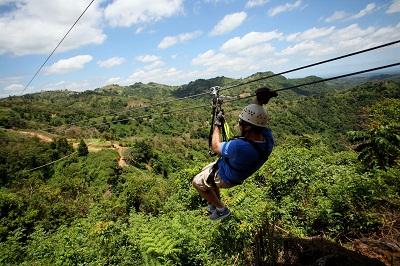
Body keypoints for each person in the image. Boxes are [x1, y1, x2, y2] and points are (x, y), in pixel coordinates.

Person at [192, 88, 277, 221]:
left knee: (197, 182)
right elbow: (256, 118)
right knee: (205, 170)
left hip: (227, 176)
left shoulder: (240, 147)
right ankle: (215, 203)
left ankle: (221, 209)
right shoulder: (267, 140)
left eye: (241, 123)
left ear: (248, 127)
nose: (239, 125)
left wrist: (217, 125)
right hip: (233, 169)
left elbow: (215, 147)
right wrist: (259, 101)